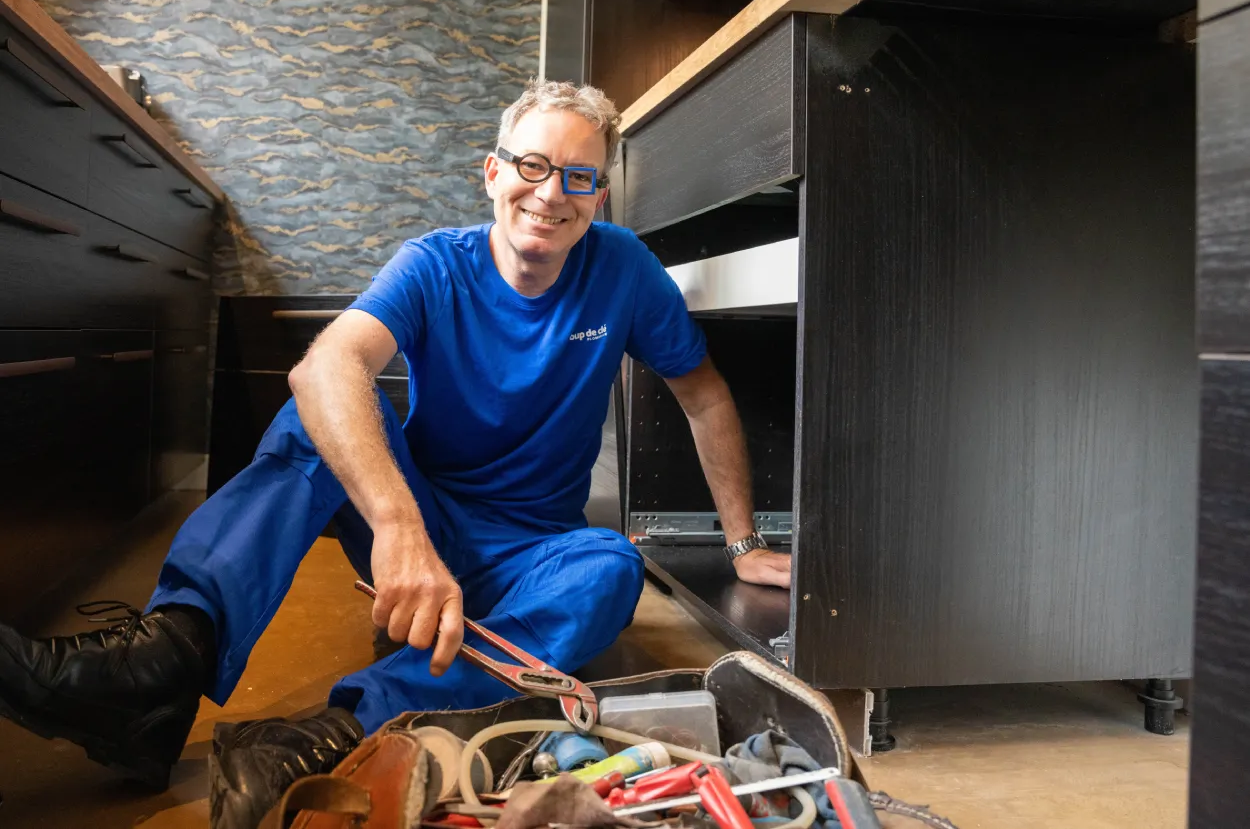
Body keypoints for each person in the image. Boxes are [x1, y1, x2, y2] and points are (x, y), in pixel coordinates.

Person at [0, 78, 792, 828]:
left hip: (534, 552)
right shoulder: (434, 263)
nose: (551, 193)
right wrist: (399, 525)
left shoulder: (624, 269)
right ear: (493, 173)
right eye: (533, 165)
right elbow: (327, 365)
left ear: (599, 195)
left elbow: (703, 391)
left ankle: (339, 728)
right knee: (322, 409)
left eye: (578, 177)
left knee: (612, 570)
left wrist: (743, 541)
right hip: (418, 526)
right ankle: (163, 662)